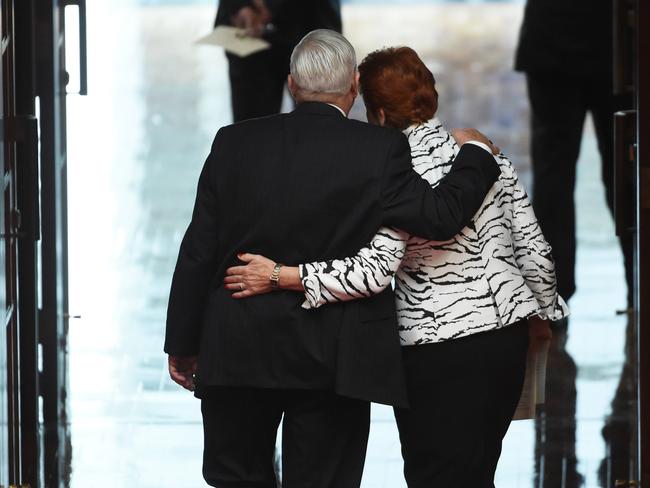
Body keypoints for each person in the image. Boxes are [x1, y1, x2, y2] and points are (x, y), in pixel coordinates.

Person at [165, 30, 500, 488]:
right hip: (333, 358)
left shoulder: (232, 143)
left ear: (290, 84)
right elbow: (438, 217)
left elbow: (199, 248)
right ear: (353, 88)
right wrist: (477, 156)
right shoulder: (379, 150)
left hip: (237, 349)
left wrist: (182, 342)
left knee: (236, 478)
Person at [225, 46, 568, 488]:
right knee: (479, 471)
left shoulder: (390, 167)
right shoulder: (485, 154)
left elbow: (374, 269)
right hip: (504, 343)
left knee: (435, 476)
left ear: (379, 112)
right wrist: (542, 318)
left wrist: (283, 275)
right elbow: (536, 252)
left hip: (436, 350)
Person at [215, 0, 342, 122]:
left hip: (311, 19)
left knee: (319, 126)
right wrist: (239, 5)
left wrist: (268, 5)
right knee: (252, 130)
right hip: (249, 31)